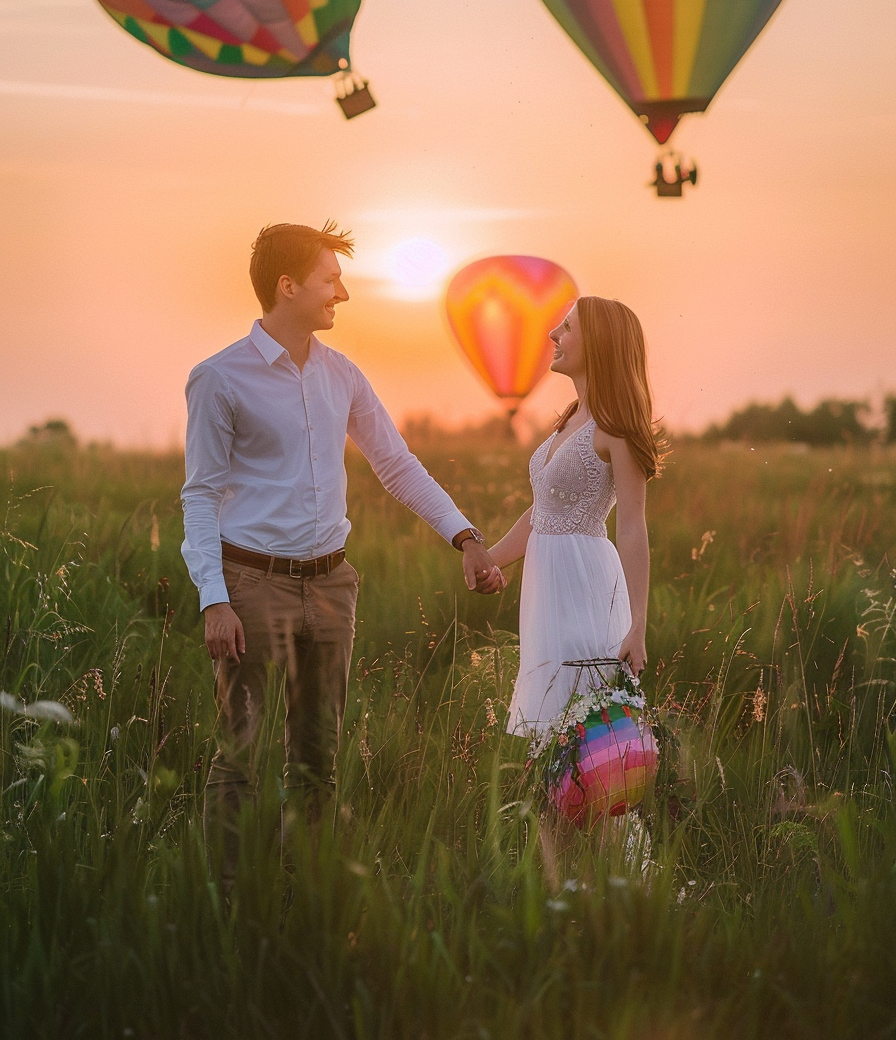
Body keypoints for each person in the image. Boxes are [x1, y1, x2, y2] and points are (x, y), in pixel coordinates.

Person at [181, 221, 504, 885]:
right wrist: (215, 597)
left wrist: (466, 536)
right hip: (252, 585)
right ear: (287, 285)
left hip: (332, 587)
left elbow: (396, 464)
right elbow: (199, 496)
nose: (344, 294)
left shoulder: (342, 375)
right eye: (331, 281)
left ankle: (307, 892)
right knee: (240, 751)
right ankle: (226, 902)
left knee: (318, 754)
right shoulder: (219, 379)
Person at [486, 296, 663, 737]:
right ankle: (557, 806)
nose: (552, 335)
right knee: (551, 728)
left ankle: (598, 807)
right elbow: (544, 511)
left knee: (587, 726)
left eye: (566, 328)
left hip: (585, 586)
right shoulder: (568, 420)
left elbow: (632, 526)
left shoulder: (616, 427)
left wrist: (638, 625)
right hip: (546, 592)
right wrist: (490, 559)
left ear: (599, 344)